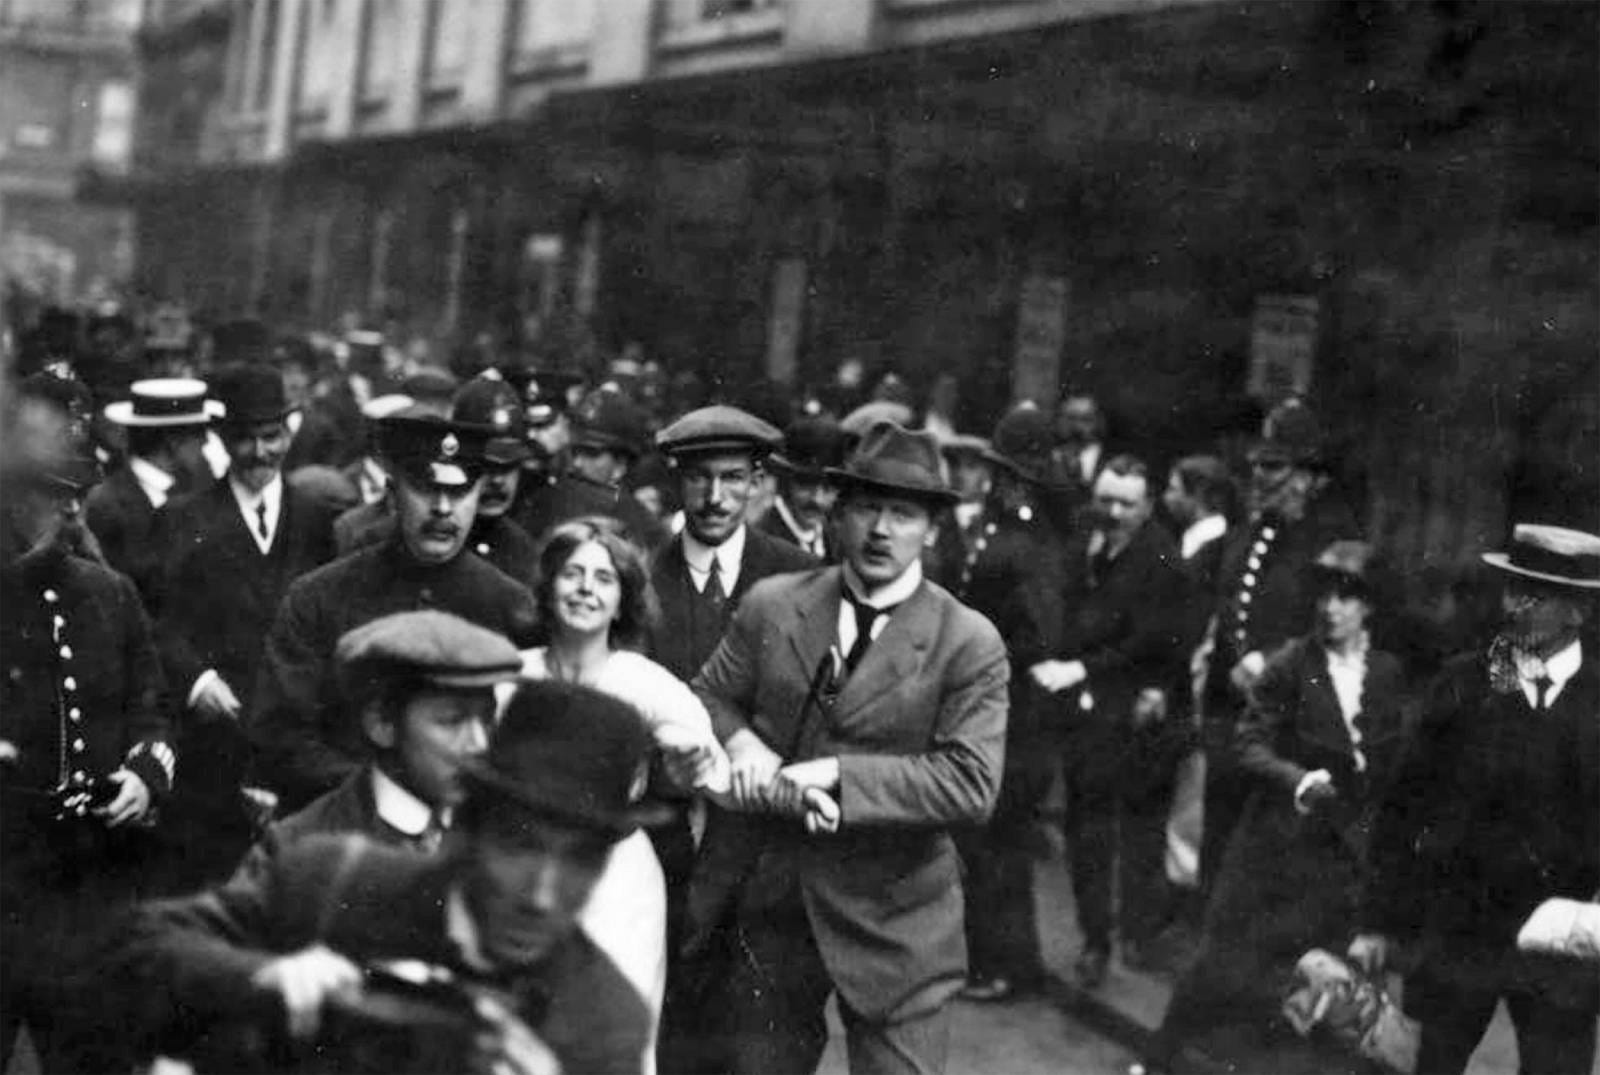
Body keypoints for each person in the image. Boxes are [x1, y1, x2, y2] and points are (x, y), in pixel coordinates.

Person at [115, 679, 661, 1075]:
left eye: (579, 860)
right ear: (470, 826)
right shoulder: (335, 879)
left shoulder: (604, 1025)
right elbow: (134, 949)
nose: (543, 895)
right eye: (521, 847)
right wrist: (262, 979)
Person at [689, 421, 1009, 1074]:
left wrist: (836, 777)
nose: (881, 530)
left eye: (903, 512)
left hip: (897, 923)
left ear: (933, 528)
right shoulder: (776, 604)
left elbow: (971, 780)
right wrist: (745, 744)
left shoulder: (966, 640)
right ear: (839, 512)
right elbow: (708, 696)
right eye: (866, 506)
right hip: (780, 905)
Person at [1351, 524, 1600, 1075]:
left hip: (1560, 949)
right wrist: (1376, 921)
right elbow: (1401, 807)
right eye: (1511, 589)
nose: (1513, 607)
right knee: (1425, 1065)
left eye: (1533, 595)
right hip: (1458, 933)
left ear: (1578, 611)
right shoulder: (1465, 684)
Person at [1152, 541, 1407, 1071]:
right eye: (1323, 595)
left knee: (1328, 992)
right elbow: (1248, 744)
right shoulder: (1290, 664)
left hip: (1344, 861)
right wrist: (1298, 780)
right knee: (1224, 968)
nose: (1330, 607)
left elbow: (1389, 765)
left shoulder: (1385, 673)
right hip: (1275, 852)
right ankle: (1160, 1059)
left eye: (1346, 597)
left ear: (1370, 606)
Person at [2, 386, 176, 1073]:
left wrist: (144, 772)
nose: (72, 507)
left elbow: (152, 705)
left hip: (89, 890)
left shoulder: (111, 594)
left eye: (79, 491)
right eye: (52, 491)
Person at [520, 518, 733, 1066]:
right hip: (520, 872)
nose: (587, 588)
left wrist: (691, 764)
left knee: (612, 1042)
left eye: (604, 578)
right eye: (572, 574)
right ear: (548, 588)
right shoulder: (510, 679)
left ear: (622, 603)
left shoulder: (643, 682)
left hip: (615, 885)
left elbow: (712, 770)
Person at [249, 411, 539, 814]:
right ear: (392, 493)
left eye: (458, 493)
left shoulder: (512, 607)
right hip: (343, 821)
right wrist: (382, 796)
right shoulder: (318, 597)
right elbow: (280, 735)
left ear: (477, 496)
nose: (441, 508)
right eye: (424, 489)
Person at [148, 362, 341, 890]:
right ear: (221, 438)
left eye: (271, 437)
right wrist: (197, 681)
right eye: (245, 440)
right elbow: (155, 621)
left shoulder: (319, 521)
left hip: (294, 750)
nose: (260, 453)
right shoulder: (182, 519)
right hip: (212, 753)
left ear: (290, 431)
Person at [1194, 398, 1360, 902]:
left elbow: (1339, 629)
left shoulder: (1333, 543)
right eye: (1256, 466)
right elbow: (1227, 608)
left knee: (1270, 846)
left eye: (1275, 467)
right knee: (1219, 834)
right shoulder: (1246, 534)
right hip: (1234, 718)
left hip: (1292, 721)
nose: (1260, 478)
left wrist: (1270, 661)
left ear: (1310, 477)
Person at [1031, 455, 1187, 987]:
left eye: (1126, 503)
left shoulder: (1162, 559)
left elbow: (1150, 643)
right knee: (1085, 830)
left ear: (1148, 506)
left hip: (1131, 712)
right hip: (1083, 712)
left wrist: (1079, 667)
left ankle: (1131, 937)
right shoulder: (1085, 541)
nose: (1113, 511)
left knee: (1131, 835)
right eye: (1105, 500)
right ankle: (1094, 937)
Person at [947, 408, 1068, 1002]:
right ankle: (995, 959)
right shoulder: (999, 528)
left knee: (1000, 841)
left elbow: (1041, 634)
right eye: (1002, 473)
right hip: (984, 705)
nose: (1002, 483)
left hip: (1015, 711)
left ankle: (1007, 964)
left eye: (1012, 475)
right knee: (985, 839)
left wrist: (985, 654)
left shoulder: (1034, 541)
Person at [87, 377, 221, 595]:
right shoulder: (106, 506)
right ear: (173, 441)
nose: (206, 444)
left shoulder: (193, 492)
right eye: (200, 434)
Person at [760, 414, 847, 560]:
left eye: (828, 488)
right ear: (785, 482)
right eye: (807, 484)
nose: (817, 500)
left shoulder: (837, 541)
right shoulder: (762, 543)